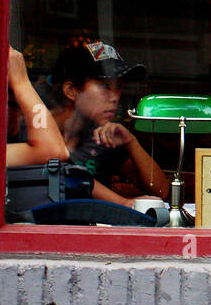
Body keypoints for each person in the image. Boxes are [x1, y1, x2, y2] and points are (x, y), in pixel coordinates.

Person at [46, 40, 170, 207]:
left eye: (118, 86)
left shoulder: (101, 136)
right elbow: (66, 175)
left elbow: (161, 191)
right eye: (104, 85)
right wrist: (124, 203)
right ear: (71, 90)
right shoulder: (39, 130)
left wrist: (131, 142)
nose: (115, 97)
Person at [6, 46, 68, 167]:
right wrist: (21, 83)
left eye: (20, 107)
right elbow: (53, 151)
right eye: (11, 104)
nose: (17, 116)